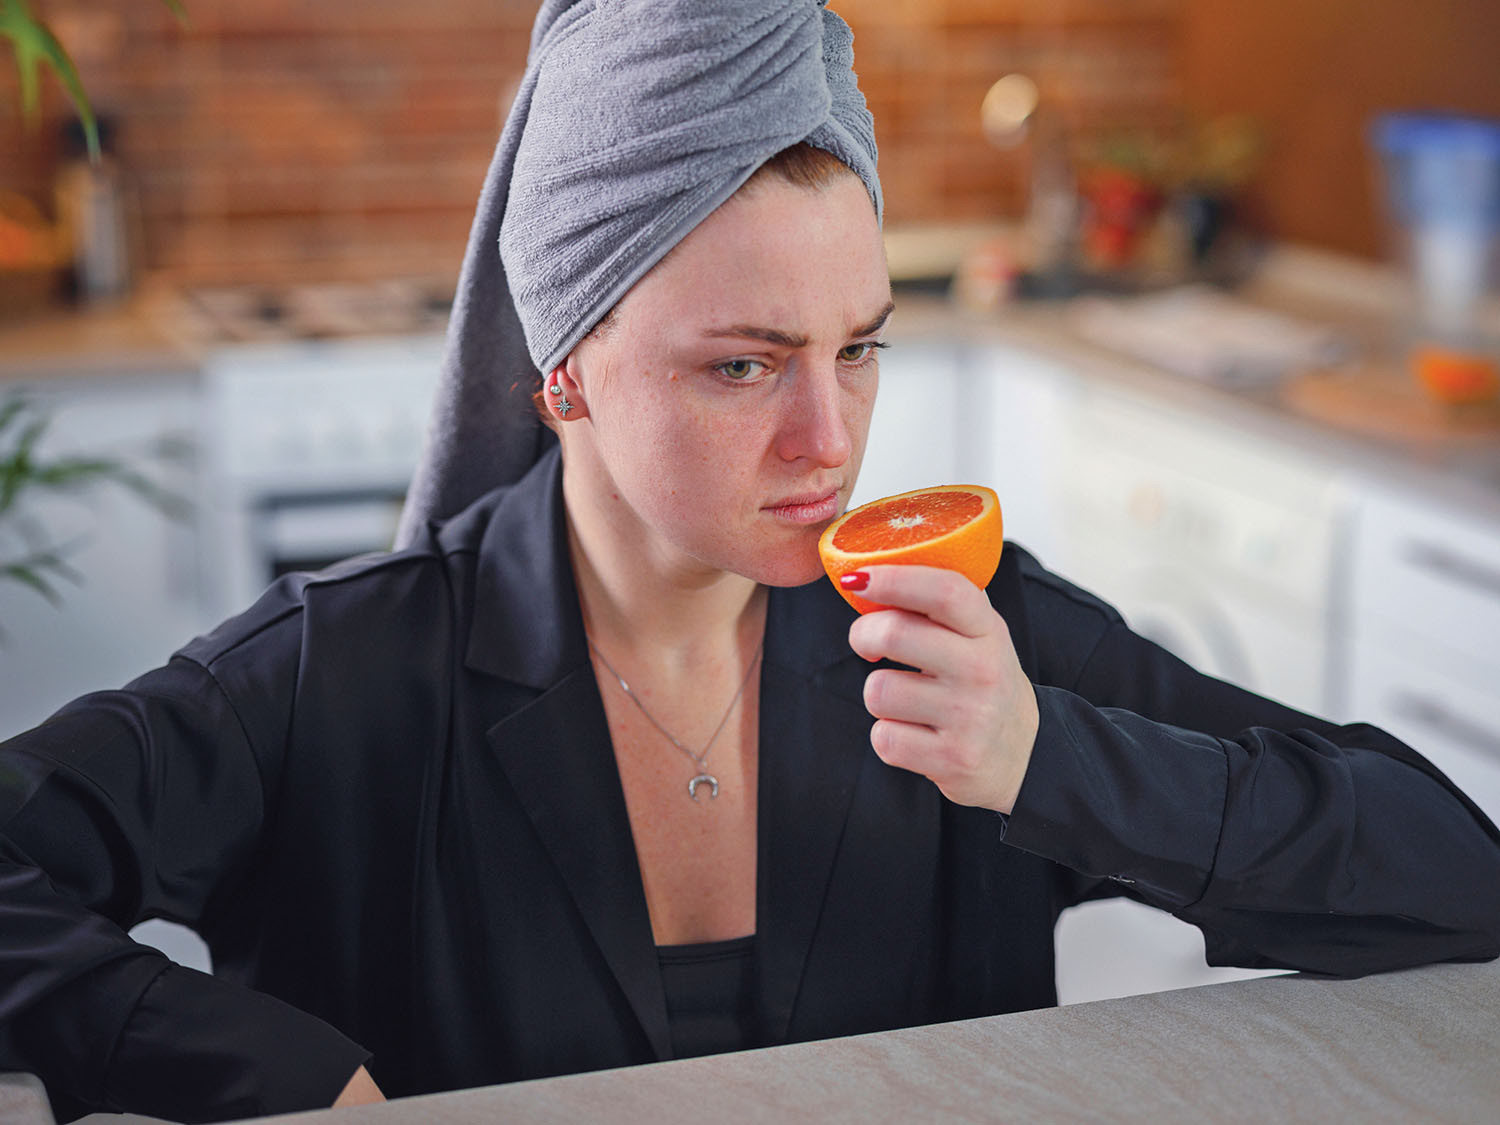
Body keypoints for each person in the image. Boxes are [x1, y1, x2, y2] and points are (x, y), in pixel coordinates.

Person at [3, 1, 1499, 1121]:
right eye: (741, 366)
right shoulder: (338, 679)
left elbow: (1456, 877)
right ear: (566, 371)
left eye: (861, 349)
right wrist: (271, 1062)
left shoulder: (971, 642)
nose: (827, 437)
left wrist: (1054, 761)